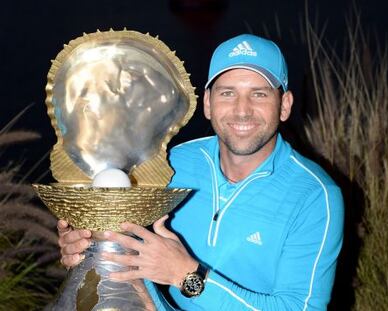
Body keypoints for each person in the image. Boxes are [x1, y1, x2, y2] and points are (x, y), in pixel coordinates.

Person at [58, 34, 344, 310]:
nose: (242, 110)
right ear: (207, 103)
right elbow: (133, 254)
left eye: (259, 94)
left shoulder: (315, 196)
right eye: (227, 93)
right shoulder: (172, 164)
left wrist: (187, 276)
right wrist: (90, 248)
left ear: (285, 105)